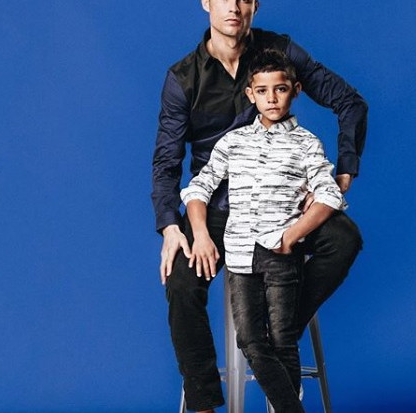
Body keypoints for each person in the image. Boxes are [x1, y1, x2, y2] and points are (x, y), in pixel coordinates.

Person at [151, 1, 367, 411]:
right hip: (217, 209)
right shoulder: (183, 78)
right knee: (179, 282)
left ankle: (276, 338)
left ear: (255, 4)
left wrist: (342, 175)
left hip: (283, 206)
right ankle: (204, 404)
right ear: (206, 2)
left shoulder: (280, 53)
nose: (234, 7)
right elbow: (167, 162)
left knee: (345, 238)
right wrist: (171, 226)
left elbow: (350, 102)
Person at [180, 49, 347, 413]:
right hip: (240, 253)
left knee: (283, 340)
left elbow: (330, 194)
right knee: (251, 341)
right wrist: (201, 233)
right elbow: (198, 188)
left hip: (279, 253)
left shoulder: (306, 143)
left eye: (281, 89)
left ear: (295, 91)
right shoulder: (233, 142)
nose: (272, 98)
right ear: (250, 94)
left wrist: (291, 236)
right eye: (262, 90)